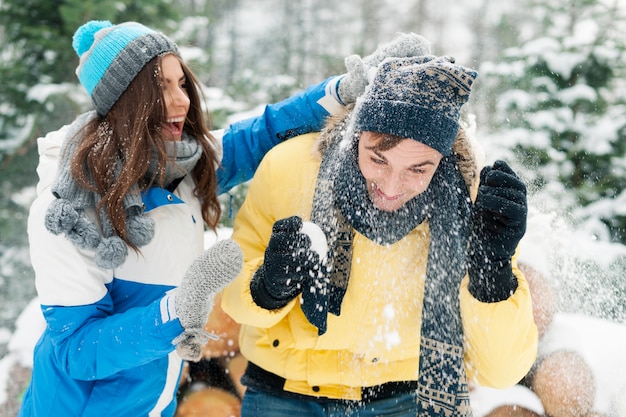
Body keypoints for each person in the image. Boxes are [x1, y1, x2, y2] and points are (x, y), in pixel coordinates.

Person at [19, 19, 429, 417]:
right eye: (159, 86)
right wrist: (177, 310)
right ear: (121, 100)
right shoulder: (66, 212)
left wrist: (345, 90)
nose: (181, 100)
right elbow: (76, 351)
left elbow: (263, 133)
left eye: (182, 83)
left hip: (151, 406)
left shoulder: (184, 167)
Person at [221, 55, 539, 416]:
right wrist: (269, 285)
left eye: (418, 169)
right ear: (358, 134)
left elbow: (502, 371)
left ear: (444, 157)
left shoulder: (470, 197)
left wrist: (492, 273)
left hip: (405, 399)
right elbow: (234, 297)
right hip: (284, 394)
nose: (390, 187)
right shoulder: (290, 167)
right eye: (378, 159)